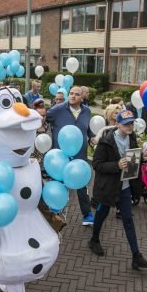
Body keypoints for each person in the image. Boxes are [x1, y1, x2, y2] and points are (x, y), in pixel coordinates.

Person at [89, 109, 147, 270]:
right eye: (126, 124)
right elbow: (97, 164)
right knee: (102, 213)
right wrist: (116, 165)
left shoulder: (131, 138)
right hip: (109, 187)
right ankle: (94, 240)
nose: (130, 126)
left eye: (131, 123)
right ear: (117, 124)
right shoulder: (106, 141)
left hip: (124, 187)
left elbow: (132, 161)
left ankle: (136, 256)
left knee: (128, 219)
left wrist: (143, 159)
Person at [46, 86, 95, 226]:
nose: (73, 96)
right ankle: (54, 211)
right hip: (60, 156)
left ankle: (87, 214)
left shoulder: (87, 111)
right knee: (59, 183)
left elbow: (88, 129)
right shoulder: (58, 109)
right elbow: (44, 118)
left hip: (80, 154)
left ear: (82, 97)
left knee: (82, 184)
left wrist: (92, 137)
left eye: (76, 94)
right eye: (71, 93)